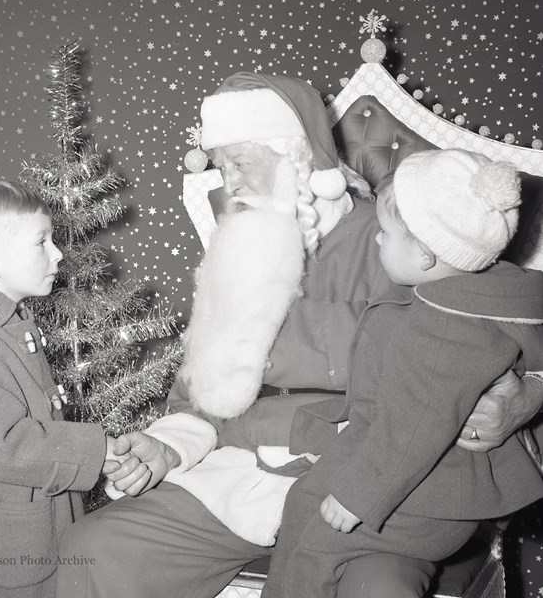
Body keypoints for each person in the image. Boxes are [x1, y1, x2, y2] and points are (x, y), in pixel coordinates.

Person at [57, 73, 543, 598]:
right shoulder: (235, 251)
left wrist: (531, 394)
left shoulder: (400, 242)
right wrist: (168, 446)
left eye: (242, 163)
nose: (231, 184)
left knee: (375, 589)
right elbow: (198, 394)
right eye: (221, 167)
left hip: (369, 478)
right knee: (95, 550)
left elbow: (502, 325)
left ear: (294, 156)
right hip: (238, 464)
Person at [0, 179, 215, 598]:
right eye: (41, 242)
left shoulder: (3, 329)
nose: (58, 253)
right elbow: (5, 445)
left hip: (23, 542)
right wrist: (96, 451)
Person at [262, 149, 543, 598]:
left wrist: (358, 496)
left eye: (386, 234)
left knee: (315, 550)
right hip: (426, 481)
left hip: (426, 496)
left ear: (427, 255)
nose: (376, 242)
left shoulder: (442, 328)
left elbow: (411, 432)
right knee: (302, 504)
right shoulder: (494, 294)